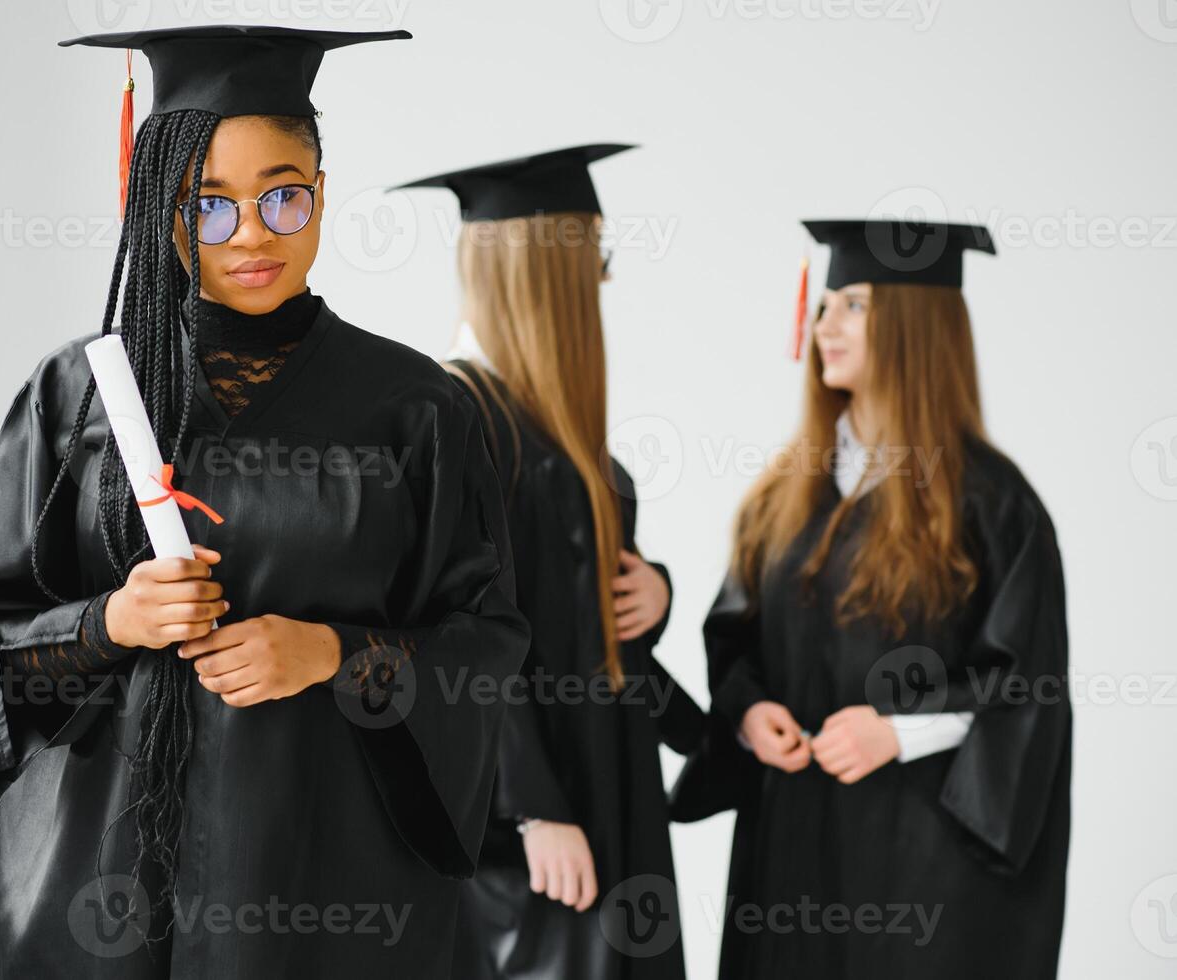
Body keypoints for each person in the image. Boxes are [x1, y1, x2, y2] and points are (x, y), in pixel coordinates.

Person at [0, 25, 529, 978]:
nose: (252, 234)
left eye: (282, 197)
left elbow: (487, 643)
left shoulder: (416, 407)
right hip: (105, 887)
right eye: (208, 206)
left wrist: (333, 653)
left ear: (323, 194)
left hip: (332, 885)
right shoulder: (79, 397)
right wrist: (108, 622)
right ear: (157, 212)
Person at [674, 219, 1071, 977]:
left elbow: (1031, 685)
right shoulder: (784, 494)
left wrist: (899, 732)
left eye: (852, 304)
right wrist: (751, 713)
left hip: (925, 857)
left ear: (916, 326)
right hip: (793, 843)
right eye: (824, 305)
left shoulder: (992, 502)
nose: (826, 324)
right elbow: (734, 642)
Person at [395, 144, 706, 979]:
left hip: (607, 789)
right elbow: (452, 633)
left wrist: (656, 597)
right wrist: (533, 810)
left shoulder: (547, 424)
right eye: (592, 253)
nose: (601, 278)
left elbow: (575, 619)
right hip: (534, 831)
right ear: (544, 268)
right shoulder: (459, 418)